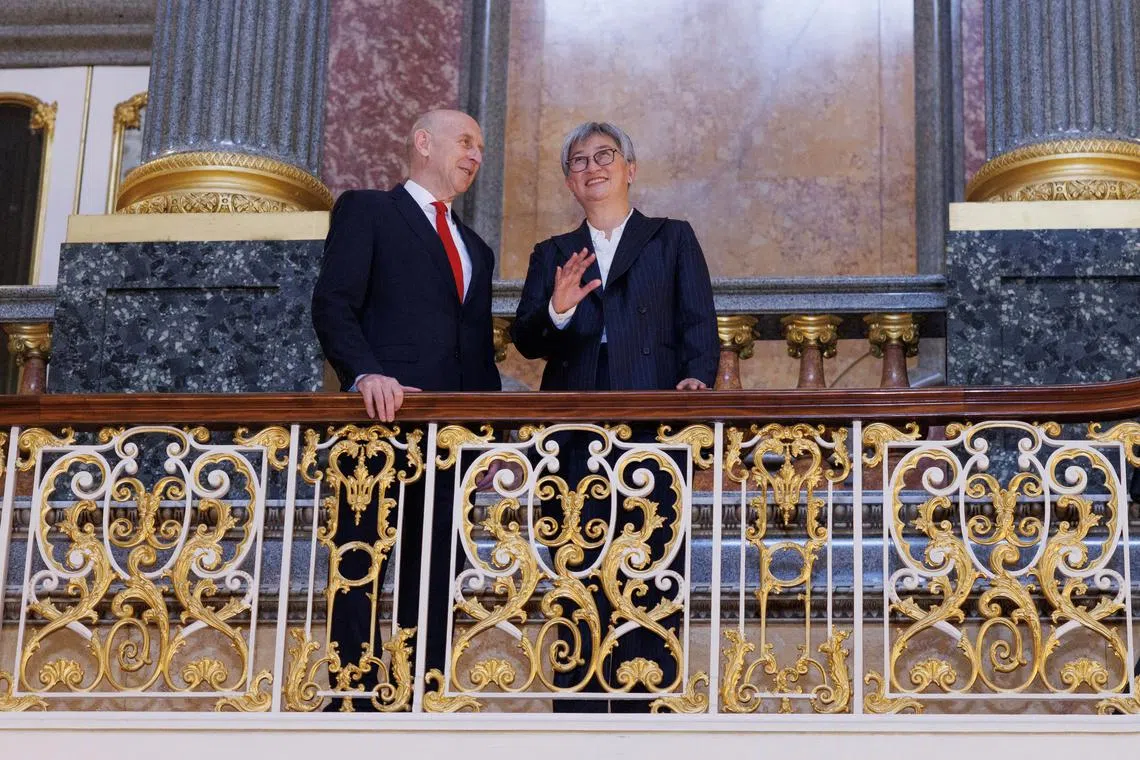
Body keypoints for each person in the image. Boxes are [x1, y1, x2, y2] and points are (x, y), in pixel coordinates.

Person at [512, 121, 718, 712]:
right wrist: (556, 307)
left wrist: (697, 379)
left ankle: (646, 710)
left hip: (652, 421)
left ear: (630, 168)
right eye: (579, 161)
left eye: (605, 156)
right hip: (572, 433)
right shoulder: (553, 254)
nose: (592, 167)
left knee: (650, 566)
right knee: (576, 568)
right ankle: (577, 712)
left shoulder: (670, 238)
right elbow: (527, 339)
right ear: (569, 181)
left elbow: (699, 323)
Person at [311, 109, 501, 709]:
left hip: (449, 439)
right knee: (361, 566)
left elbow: (473, 349)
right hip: (375, 428)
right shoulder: (368, 209)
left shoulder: (477, 248)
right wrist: (366, 372)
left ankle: (425, 698)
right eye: (465, 142)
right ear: (423, 142)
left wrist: (490, 434)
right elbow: (333, 304)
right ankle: (352, 703)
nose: (475, 155)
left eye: (480, 148)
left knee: (436, 570)